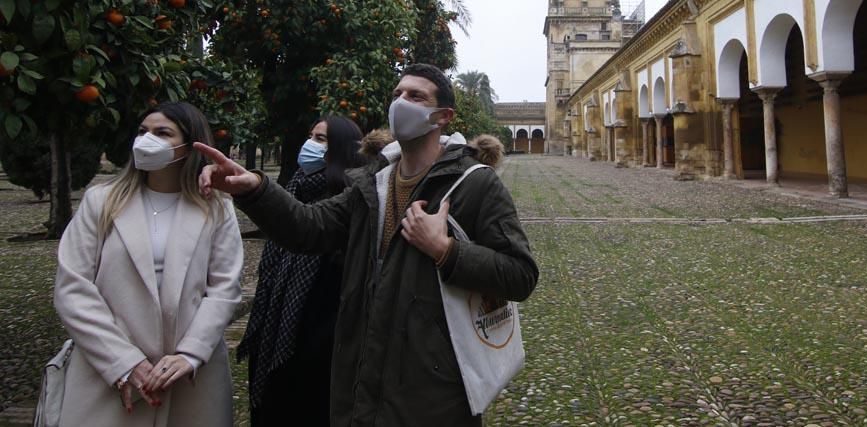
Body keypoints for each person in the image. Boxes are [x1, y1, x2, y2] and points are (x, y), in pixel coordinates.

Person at [196, 63, 538, 426]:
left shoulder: (475, 184)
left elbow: (520, 274)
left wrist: (446, 251)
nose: (401, 102)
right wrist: (254, 188)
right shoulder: (371, 183)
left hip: (434, 391)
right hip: (361, 384)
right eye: (397, 94)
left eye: (415, 96)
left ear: (443, 116)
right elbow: (308, 228)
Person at [53, 102, 243, 426]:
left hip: (190, 380)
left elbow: (224, 288)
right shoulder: (101, 201)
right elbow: (72, 287)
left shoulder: (217, 208)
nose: (146, 140)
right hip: (108, 373)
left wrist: (191, 353)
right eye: (142, 132)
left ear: (190, 145)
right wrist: (124, 362)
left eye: (162, 133)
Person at [238, 116, 368, 426]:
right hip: (275, 333)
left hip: (319, 351)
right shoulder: (292, 190)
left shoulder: (351, 202)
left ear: (342, 149)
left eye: (321, 139)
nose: (310, 144)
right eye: (311, 135)